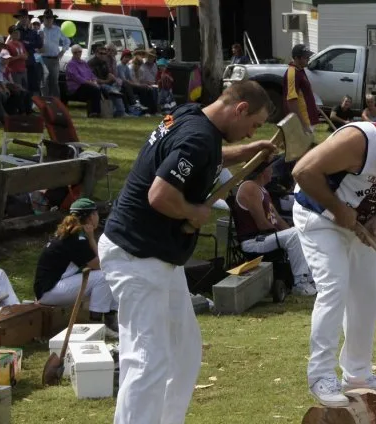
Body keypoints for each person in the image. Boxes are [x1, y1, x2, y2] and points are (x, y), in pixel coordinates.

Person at [97, 81, 276, 424]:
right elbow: (160, 195)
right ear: (240, 109)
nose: (251, 132)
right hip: (138, 254)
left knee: (183, 352)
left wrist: (247, 150)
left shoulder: (189, 115)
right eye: (253, 125)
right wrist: (193, 212)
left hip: (158, 256)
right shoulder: (198, 136)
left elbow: (199, 157)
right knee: (147, 358)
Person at [292, 120, 376, 406]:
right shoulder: (358, 141)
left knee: (367, 295)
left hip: (359, 225)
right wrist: (338, 209)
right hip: (318, 218)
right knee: (334, 288)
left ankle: (357, 373)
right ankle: (320, 376)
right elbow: (303, 172)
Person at [35, 198, 119, 335]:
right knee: (105, 276)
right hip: (50, 291)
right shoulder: (77, 238)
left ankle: (110, 319)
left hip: (51, 287)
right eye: (96, 214)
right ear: (91, 217)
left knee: (109, 275)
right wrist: (91, 238)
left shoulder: (73, 234)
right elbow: (100, 265)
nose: (98, 217)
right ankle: (96, 324)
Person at [234, 162, 316, 296]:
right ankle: (299, 283)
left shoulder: (262, 189)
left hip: (265, 238)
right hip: (253, 241)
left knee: (301, 232)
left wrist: (290, 232)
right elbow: (262, 224)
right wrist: (287, 236)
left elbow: (277, 219)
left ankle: (310, 278)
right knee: (295, 234)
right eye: (270, 167)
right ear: (262, 172)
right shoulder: (250, 187)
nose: (272, 170)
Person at [285, 44, 319, 133]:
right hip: (303, 122)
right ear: (296, 58)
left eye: (308, 56)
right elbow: (291, 101)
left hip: (308, 119)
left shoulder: (300, 70)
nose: (308, 59)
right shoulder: (292, 73)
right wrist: (303, 125)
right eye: (305, 57)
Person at [37, 9, 69, 98]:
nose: (49, 20)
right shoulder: (39, 29)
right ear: (43, 19)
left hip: (54, 59)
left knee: (54, 82)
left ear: (53, 19)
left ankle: (56, 102)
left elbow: (67, 41)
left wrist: (62, 51)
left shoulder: (57, 29)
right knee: (44, 81)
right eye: (46, 18)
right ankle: (45, 101)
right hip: (42, 59)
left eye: (50, 18)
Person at [65, 44, 102, 117]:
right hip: (77, 88)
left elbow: (91, 74)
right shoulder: (71, 64)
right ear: (72, 53)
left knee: (103, 88)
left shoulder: (84, 63)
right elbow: (77, 78)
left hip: (87, 85)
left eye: (79, 52)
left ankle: (105, 111)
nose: (78, 53)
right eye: (75, 52)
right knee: (95, 90)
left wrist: (94, 80)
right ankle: (95, 112)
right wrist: (91, 83)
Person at [13, 9, 42, 97]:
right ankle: (21, 104)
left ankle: (29, 104)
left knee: (32, 84)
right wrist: (30, 44)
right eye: (22, 17)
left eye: (26, 17)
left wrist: (28, 43)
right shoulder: (16, 31)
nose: (24, 19)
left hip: (31, 61)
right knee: (21, 85)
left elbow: (39, 44)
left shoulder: (32, 31)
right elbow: (18, 43)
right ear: (19, 19)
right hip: (20, 61)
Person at [5, 26, 28, 91]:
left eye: (18, 32)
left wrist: (25, 57)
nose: (18, 34)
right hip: (14, 71)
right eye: (15, 33)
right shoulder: (8, 45)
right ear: (11, 34)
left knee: (25, 89)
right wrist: (19, 57)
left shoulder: (21, 44)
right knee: (18, 90)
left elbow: (26, 55)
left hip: (23, 70)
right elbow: (7, 59)